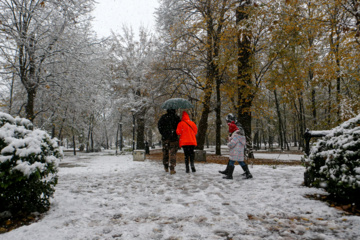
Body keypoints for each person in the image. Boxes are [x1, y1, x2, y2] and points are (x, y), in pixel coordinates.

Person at [157, 109, 181, 174]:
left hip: (165, 138)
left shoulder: (163, 117)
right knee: (173, 153)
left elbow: (159, 126)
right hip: (174, 138)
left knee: (165, 152)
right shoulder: (177, 118)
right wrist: (175, 133)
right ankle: (172, 168)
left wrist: (163, 133)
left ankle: (166, 166)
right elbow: (180, 127)